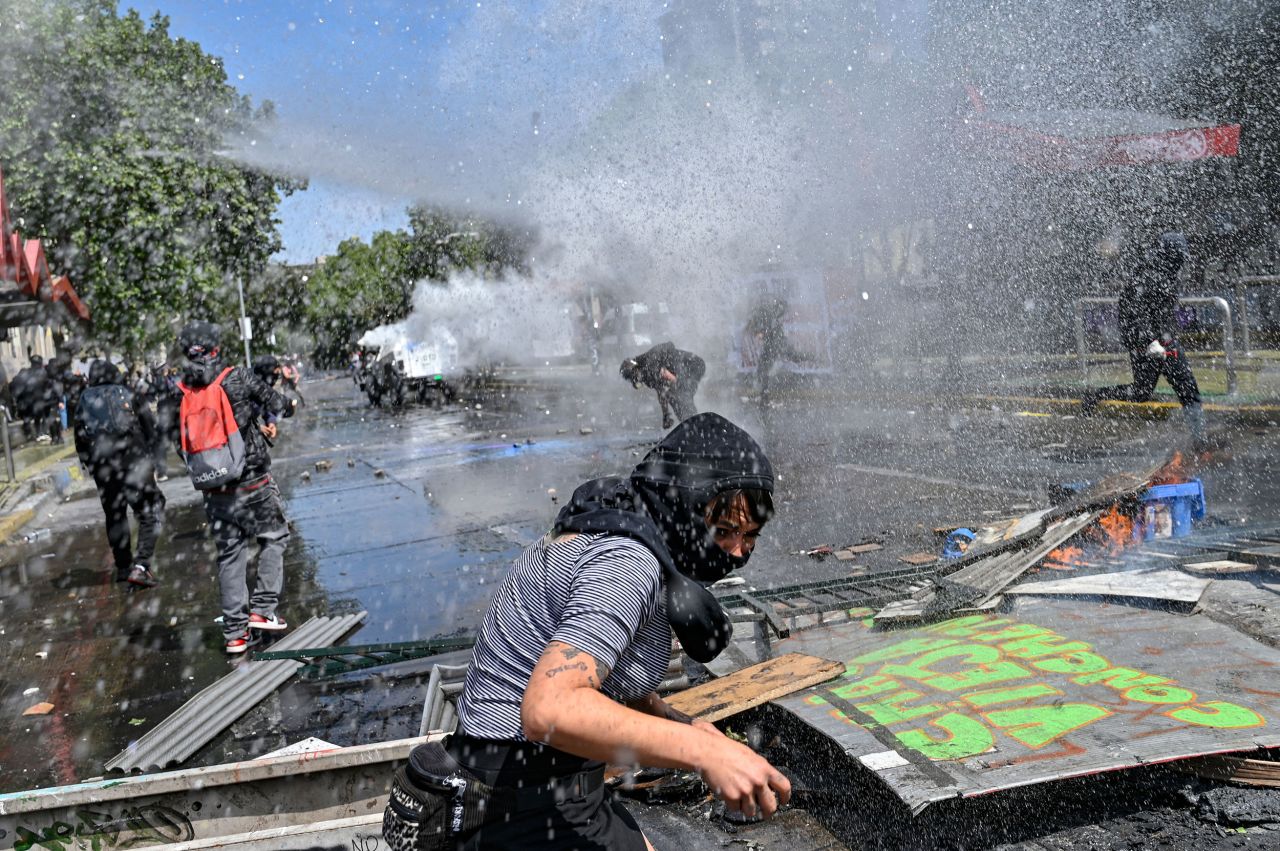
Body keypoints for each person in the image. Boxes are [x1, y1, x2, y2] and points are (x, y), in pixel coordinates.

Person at [383, 413, 790, 850]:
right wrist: (707, 754)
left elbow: (612, 684)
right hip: (520, 797)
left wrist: (691, 729)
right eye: (724, 530)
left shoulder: (616, 526)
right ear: (681, 503)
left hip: (547, 785)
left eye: (750, 536)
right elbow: (550, 710)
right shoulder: (626, 563)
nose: (736, 550)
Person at [178, 321, 297, 654]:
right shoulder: (237, 376)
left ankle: (234, 635)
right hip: (252, 478)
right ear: (216, 348)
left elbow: (177, 441)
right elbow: (275, 401)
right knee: (274, 536)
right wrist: (289, 406)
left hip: (214, 488)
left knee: (230, 555)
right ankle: (262, 609)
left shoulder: (181, 390)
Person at [1081, 232, 1207, 448]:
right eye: (1177, 257)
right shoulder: (1146, 277)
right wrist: (1149, 342)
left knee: (1188, 389)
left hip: (1167, 343)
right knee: (1141, 392)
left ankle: (1201, 442)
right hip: (1145, 346)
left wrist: (1165, 338)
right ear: (1167, 255)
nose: (1181, 262)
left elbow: (1161, 313)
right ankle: (1097, 395)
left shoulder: (1169, 276)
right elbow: (1136, 313)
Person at [73, 360, 165, 588]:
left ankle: (124, 567)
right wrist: (155, 461)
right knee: (149, 510)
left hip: (104, 467)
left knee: (115, 515)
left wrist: (91, 465)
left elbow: (79, 437)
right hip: (134, 463)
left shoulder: (84, 399)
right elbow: (150, 428)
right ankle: (142, 565)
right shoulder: (130, 393)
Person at [619, 342, 705, 429]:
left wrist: (679, 384)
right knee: (674, 396)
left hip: (694, 365)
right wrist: (665, 415)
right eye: (633, 379)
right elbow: (661, 392)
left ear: (636, 367)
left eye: (635, 376)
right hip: (687, 369)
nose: (637, 379)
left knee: (679, 395)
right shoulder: (647, 374)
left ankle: (695, 426)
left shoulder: (650, 362)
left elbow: (665, 376)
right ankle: (690, 425)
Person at [744, 297, 808, 408]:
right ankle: (764, 396)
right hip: (775, 344)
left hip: (775, 345)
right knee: (790, 358)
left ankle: (764, 396)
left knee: (765, 368)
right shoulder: (766, 314)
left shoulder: (766, 315)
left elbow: (765, 329)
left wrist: (762, 333)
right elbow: (759, 329)